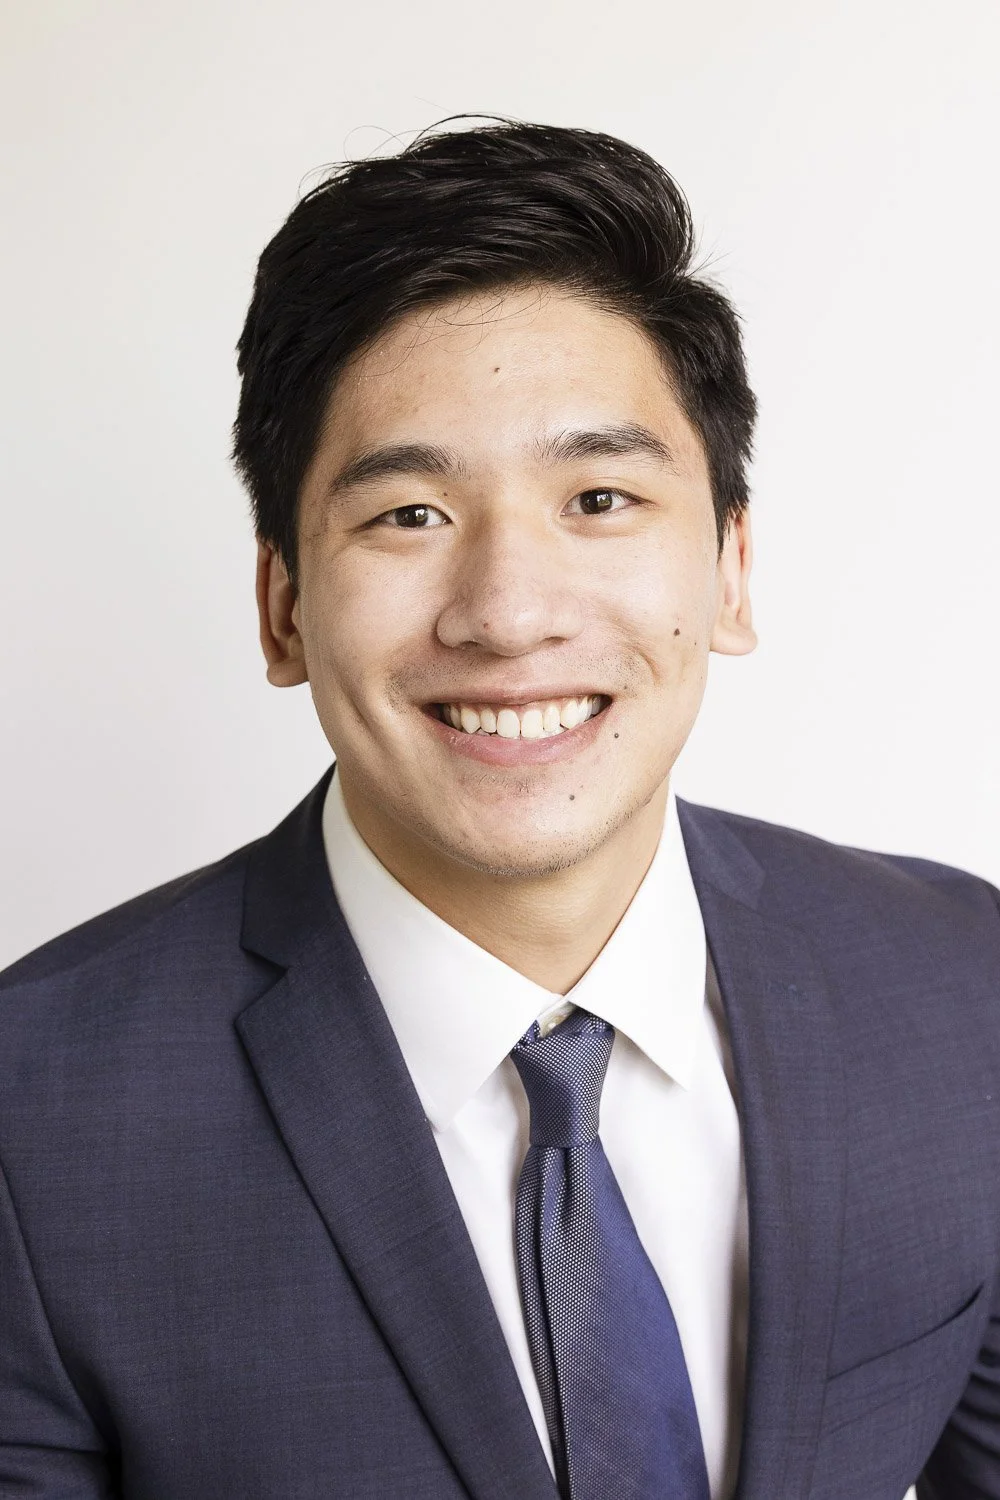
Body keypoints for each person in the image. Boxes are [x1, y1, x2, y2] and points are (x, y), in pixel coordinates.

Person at [1, 117, 997, 1500]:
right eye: (408, 515)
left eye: (599, 496)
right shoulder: (34, 1121)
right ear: (283, 604)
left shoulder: (960, 987)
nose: (510, 613)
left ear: (731, 568)